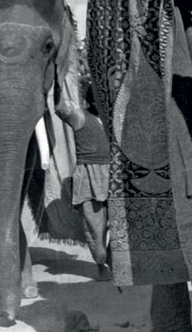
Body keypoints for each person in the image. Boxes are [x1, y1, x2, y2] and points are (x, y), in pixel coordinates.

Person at [72, 105, 112, 282]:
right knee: (95, 226)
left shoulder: (113, 118)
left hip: (113, 175)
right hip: (89, 176)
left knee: (120, 225)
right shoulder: (80, 117)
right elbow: (62, 110)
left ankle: (112, 259)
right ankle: (100, 262)